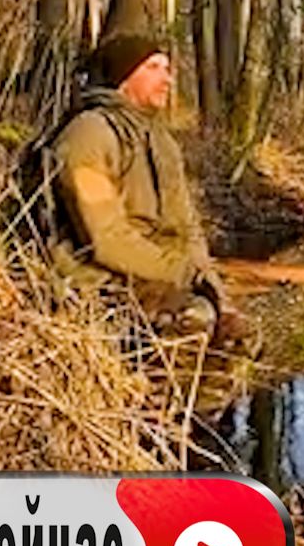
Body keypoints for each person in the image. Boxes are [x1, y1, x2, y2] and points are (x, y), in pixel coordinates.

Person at [44, 34, 244, 341]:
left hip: (157, 277)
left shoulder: (162, 142)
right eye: (153, 68)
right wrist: (184, 273)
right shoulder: (88, 135)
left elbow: (187, 227)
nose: (167, 79)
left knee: (240, 334)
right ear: (123, 79)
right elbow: (106, 240)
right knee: (195, 321)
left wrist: (213, 286)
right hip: (101, 281)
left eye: (167, 69)